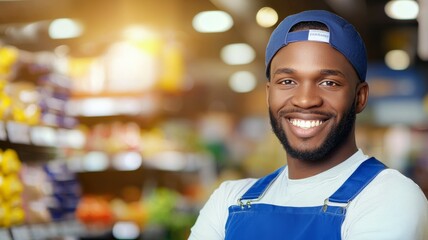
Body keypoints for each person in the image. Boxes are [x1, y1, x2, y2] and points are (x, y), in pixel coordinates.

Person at [188, 9, 428, 240]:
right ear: (269, 94)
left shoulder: (389, 197)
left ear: (360, 97)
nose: (305, 99)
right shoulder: (230, 200)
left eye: (328, 83)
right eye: (288, 81)